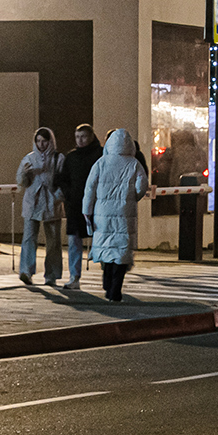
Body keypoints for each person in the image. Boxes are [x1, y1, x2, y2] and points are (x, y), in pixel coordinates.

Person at [83, 127, 148, 302]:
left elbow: (90, 189)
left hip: (102, 212)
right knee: (120, 251)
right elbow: (142, 186)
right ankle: (115, 290)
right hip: (124, 211)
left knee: (106, 247)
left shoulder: (101, 163)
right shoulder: (134, 164)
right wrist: (133, 197)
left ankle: (106, 281)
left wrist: (87, 211)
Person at [58, 123, 104, 291]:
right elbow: (63, 179)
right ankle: (74, 277)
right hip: (76, 205)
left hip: (98, 205)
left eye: (83, 136)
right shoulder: (71, 157)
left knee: (102, 240)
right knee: (74, 241)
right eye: (77, 137)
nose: (80, 140)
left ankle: (108, 275)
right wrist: (69, 194)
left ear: (91, 137)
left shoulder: (100, 155)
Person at [15, 126, 64, 286]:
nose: (41, 144)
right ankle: (26, 271)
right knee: (29, 238)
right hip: (33, 202)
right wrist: (24, 174)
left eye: (44, 141)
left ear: (51, 141)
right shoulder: (28, 158)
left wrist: (57, 196)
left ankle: (52, 274)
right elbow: (21, 183)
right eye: (38, 141)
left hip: (51, 203)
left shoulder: (58, 158)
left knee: (53, 241)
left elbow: (64, 181)